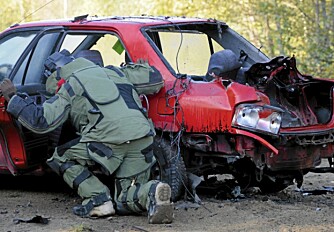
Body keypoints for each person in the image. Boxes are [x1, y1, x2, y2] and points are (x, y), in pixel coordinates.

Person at [0, 49, 173, 224]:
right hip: (142, 137)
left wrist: (13, 97)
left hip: (109, 141)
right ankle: (153, 191)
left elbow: (41, 122)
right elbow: (155, 80)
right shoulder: (114, 72)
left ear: (57, 75)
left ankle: (98, 200)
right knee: (124, 200)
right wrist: (141, 65)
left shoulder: (70, 85)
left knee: (60, 156)